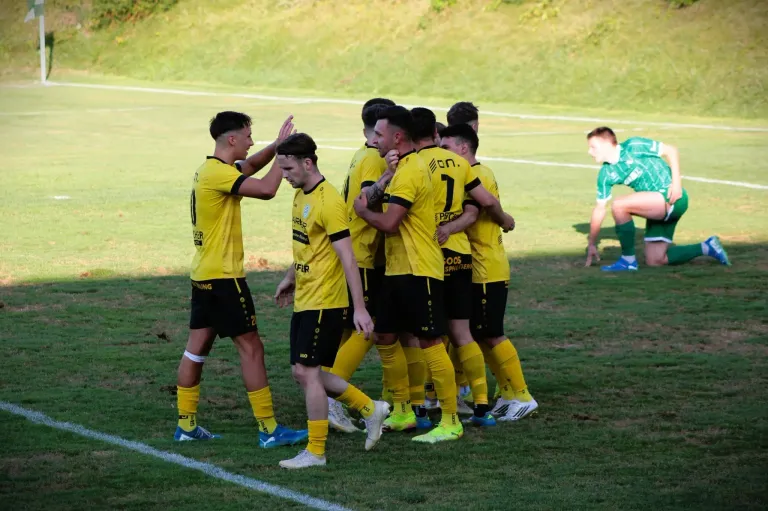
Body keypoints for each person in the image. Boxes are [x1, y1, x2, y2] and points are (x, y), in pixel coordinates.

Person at [175, 111, 309, 449]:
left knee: (196, 350)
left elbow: (248, 167)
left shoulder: (212, 169)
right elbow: (266, 189)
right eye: (248, 136)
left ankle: (186, 425)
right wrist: (284, 155)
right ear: (232, 139)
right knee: (252, 348)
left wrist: (276, 146)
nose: (252, 141)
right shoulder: (219, 173)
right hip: (224, 279)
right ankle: (269, 429)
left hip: (203, 275)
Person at [274, 133, 390, 469]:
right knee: (301, 372)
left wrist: (360, 308)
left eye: (288, 168)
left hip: (325, 301)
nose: (284, 175)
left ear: (308, 163)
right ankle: (369, 408)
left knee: (309, 373)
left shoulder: (329, 202)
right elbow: (307, 245)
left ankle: (316, 451)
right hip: (306, 297)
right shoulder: (301, 195)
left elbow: (348, 258)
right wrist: (290, 276)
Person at [353, 105, 462, 443]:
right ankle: (402, 411)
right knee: (385, 336)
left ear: (397, 137)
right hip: (397, 269)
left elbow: (389, 223)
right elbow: (375, 199)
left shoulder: (413, 171)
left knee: (430, 341)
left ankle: (451, 420)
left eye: (379, 134)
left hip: (419, 269)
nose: (374, 139)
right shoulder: (399, 169)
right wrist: (383, 178)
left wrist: (362, 213)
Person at [410, 107, 515, 427]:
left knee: (427, 335)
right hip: (460, 255)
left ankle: (428, 401)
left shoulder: (412, 164)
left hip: (429, 256)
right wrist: (505, 220)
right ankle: (481, 406)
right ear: (435, 132)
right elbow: (484, 202)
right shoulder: (458, 164)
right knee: (462, 332)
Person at [439, 123, 538, 421]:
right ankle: (507, 393)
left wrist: (504, 219)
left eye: (446, 148)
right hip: (480, 266)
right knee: (479, 334)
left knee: (491, 334)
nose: (442, 154)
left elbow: (487, 205)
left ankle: (522, 395)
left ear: (463, 148)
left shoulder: (476, 174)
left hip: (486, 268)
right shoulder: (472, 172)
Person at [327, 98, 396, 433]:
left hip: (352, 250)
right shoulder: (373, 157)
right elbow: (366, 200)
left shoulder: (361, 153)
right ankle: (331, 395)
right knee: (366, 329)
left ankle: (330, 395)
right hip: (362, 254)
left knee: (345, 331)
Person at [584, 127, 730, 271]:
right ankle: (707, 247)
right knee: (656, 260)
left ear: (607, 144)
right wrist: (591, 243)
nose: (589, 152)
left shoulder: (634, 146)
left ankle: (628, 260)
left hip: (671, 196)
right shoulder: (606, 174)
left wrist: (676, 184)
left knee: (619, 205)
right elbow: (599, 208)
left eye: (593, 147)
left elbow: (671, 151)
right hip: (657, 207)